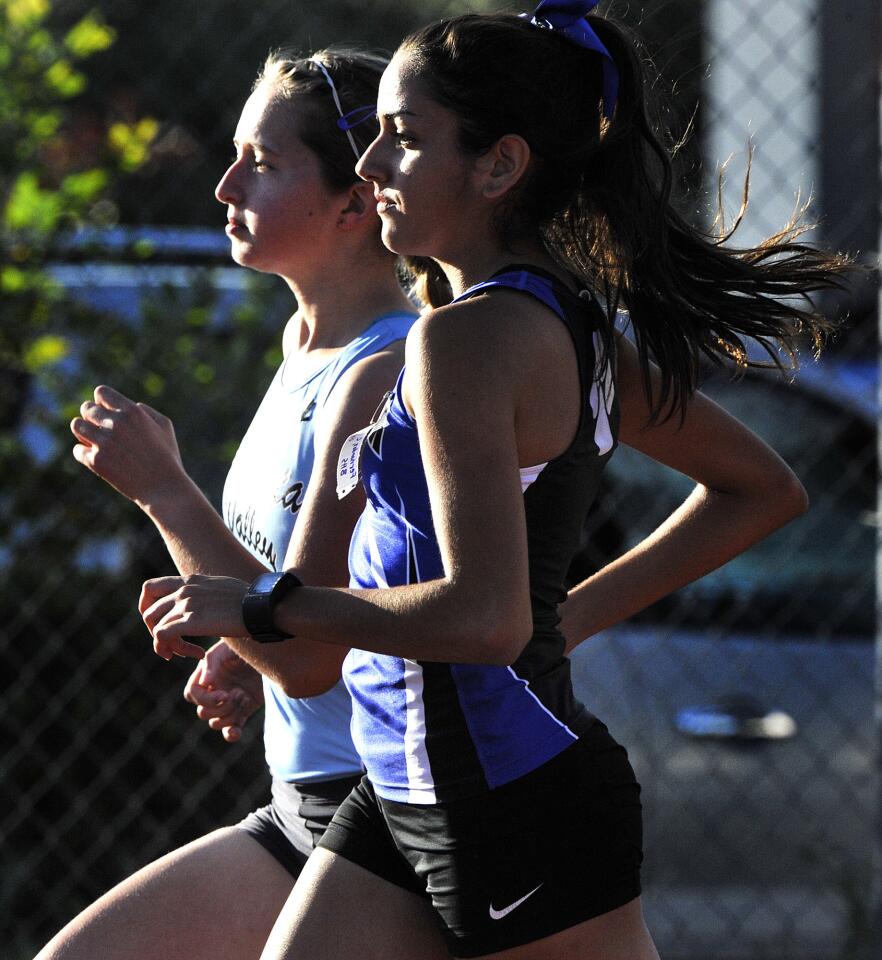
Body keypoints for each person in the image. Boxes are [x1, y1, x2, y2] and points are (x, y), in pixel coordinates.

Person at [138, 3, 850, 959]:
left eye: (403, 138)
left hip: (512, 800)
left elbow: (485, 622)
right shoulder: (542, 318)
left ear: (500, 165)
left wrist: (269, 607)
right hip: (398, 795)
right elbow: (758, 491)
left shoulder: (467, 339)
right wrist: (569, 616)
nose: (372, 168)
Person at [37, 48, 418, 960]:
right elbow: (315, 601)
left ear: (356, 198)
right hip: (304, 805)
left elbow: (316, 658)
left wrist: (165, 490)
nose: (223, 183)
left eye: (264, 160)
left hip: (384, 819)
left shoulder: (390, 367)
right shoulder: (303, 343)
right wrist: (244, 653)